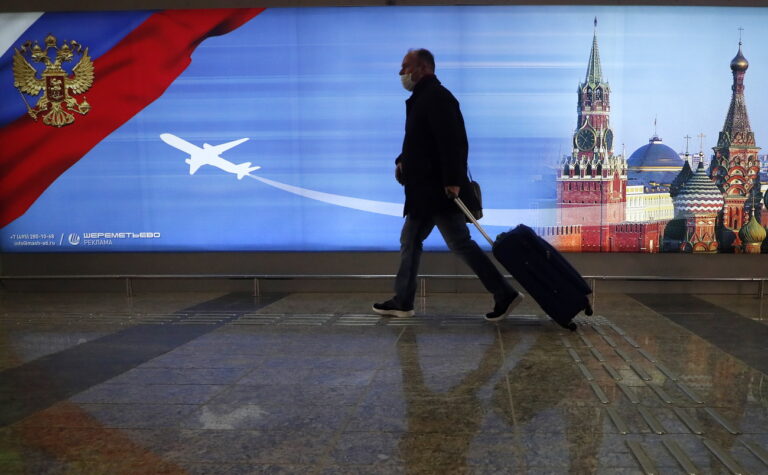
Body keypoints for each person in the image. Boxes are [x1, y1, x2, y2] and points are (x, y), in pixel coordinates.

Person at [372, 48, 523, 321]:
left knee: (457, 244)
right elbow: (421, 143)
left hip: (438, 192)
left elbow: (454, 142)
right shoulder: (422, 98)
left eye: (405, 66)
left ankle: (505, 293)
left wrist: (453, 182)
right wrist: (402, 160)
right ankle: (403, 300)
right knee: (411, 241)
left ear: (423, 68)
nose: (401, 73)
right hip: (424, 191)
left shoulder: (437, 98)